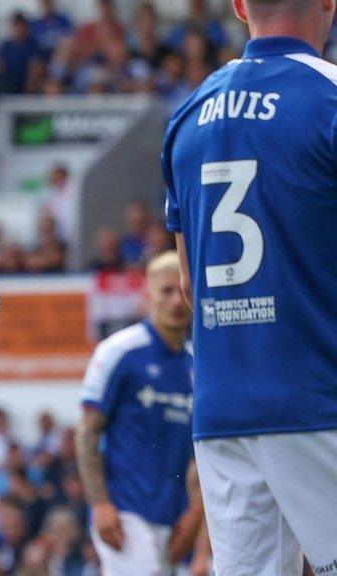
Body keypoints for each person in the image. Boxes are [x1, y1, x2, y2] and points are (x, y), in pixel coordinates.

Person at [161, 0, 337, 573]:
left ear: (239, 7)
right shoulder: (329, 96)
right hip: (318, 394)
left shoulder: (188, 114)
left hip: (223, 410)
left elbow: (189, 285)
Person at [76, 251, 203, 575]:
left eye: (183, 292)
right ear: (148, 296)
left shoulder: (198, 365)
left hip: (174, 518)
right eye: (166, 291)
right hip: (125, 514)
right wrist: (101, 505)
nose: (176, 301)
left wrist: (193, 517)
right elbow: (88, 433)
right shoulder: (119, 351)